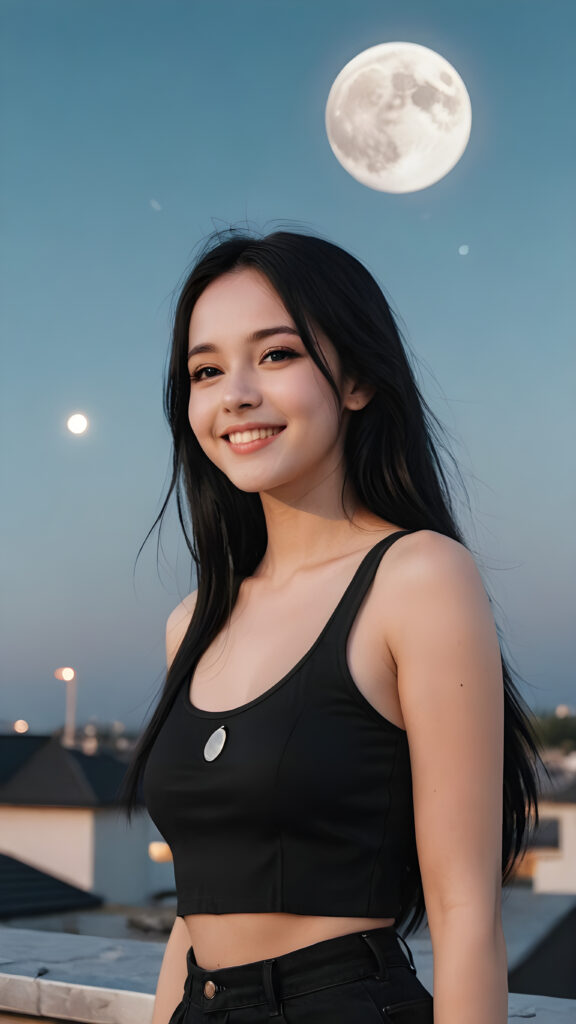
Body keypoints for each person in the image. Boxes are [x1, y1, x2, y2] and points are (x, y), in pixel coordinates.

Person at [119, 227, 546, 1024]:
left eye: (276, 355)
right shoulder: (194, 622)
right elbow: (191, 916)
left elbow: (464, 914)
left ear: (355, 380)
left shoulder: (418, 576)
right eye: (206, 370)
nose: (235, 393)